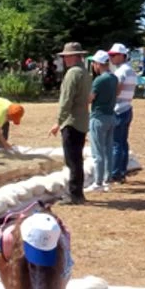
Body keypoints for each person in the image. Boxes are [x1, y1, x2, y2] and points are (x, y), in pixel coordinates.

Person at [50, 42, 91, 204]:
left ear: (74, 56)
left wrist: (58, 122)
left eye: (66, 56)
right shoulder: (85, 72)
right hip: (82, 119)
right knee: (77, 158)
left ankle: (75, 194)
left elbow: (66, 100)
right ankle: (77, 192)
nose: (65, 59)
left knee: (72, 160)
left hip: (72, 121)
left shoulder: (72, 74)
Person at [87, 51, 118, 193]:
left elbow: (90, 98)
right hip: (111, 116)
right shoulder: (114, 78)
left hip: (98, 117)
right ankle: (107, 179)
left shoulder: (99, 80)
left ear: (98, 64)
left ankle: (98, 182)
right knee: (108, 149)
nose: (93, 66)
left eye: (94, 63)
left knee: (97, 151)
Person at [108, 43, 136, 183]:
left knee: (116, 143)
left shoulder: (120, 72)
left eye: (113, 55)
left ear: (121, 56)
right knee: (123, 142)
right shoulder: (131, 70)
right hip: (127, 108)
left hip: (118, 109)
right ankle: (122, 171)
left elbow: (116, 90)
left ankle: (115, 173)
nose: (111, 58)